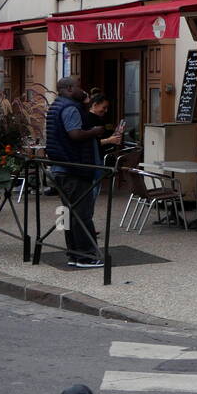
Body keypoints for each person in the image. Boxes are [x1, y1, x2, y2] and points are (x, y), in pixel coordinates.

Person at [45, 76, 122, 267]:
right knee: (81, 214)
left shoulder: (57, 105)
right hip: (74, 168)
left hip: (61, 167)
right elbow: (75, 134)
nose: (83, 91)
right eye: (80, 87)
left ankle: (73, 253)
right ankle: (86, 256)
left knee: (69, 214)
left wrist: (86, 103)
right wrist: (95, 131)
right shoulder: (70, 108)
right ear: (70, 89)